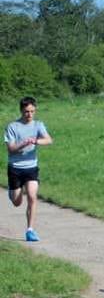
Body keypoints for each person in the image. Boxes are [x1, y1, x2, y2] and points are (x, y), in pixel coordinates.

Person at [6, 97, 53, 242]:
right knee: (17, 202)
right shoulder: (13, 126)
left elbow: (49, 140)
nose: (30, 114)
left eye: (32, 111)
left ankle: (30, 230)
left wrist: (36, 141)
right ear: (21, 110)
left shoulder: (38, 125)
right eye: (27, 111)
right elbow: (10, 149)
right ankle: (12, 191)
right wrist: (23, 144)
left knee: (32, 196)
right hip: (15, 168)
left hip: (31, 167)